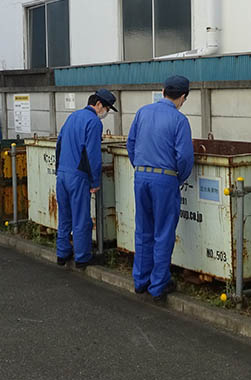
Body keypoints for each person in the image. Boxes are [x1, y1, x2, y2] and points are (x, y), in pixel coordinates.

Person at [127, 75, 194, 302]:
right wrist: (177, 178)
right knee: (163, 232)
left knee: (143, 229)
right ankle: (158, 285)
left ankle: (140, 281)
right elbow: (184, 158)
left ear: (162, 90)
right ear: (183, 97)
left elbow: (131, 143)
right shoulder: (179, 120)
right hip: (165, 180)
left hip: (141, 176)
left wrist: (140, 166)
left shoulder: (142, 112)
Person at [56, 89, 117, 270]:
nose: (105, 112)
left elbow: (59, 143)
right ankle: (82, 258)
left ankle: (62, 253)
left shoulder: (72, 117)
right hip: (78, 175)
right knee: (81, 217)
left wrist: (59, 169)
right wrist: (95, 182)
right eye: (106, 108)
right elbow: (93, 155)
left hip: (62, 173)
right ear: (98, 104)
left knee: (64, 215)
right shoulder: (93, 122)